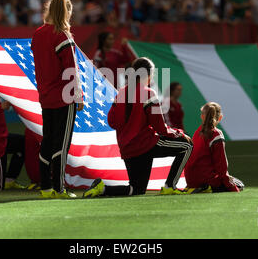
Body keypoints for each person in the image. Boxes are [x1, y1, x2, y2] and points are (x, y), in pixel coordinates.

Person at [83, 57, 193, 198]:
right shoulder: (149, 93)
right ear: (148, 74)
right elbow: (160, 128)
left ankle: (102, 189)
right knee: (187, 146)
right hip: (145, 144)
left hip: (128, 149)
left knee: (136, 189)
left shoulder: (120, 93)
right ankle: (170, 186)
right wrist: (179, 133)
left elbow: (112, 122)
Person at [30, 0, 83, 199]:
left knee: (48, 141)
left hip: (46, 95)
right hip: (64, 96)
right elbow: (71, 69)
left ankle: (45, 187)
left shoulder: (38, 34)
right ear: (66, 11)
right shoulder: (62, 35)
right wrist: (77, 95)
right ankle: (59, 188)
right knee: (61, 143)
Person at [184, 102, 243, 193]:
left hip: (190, 180)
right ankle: (206, 187)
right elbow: (221, 166)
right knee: (239, 184)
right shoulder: (216, 134)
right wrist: (233, 188)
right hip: (207, 180)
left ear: (202, 116)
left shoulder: (198, 132)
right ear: (220, 117)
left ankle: (201, 187)